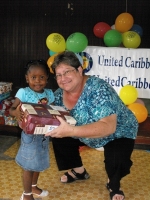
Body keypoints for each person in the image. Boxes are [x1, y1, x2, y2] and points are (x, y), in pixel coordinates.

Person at [45, 51, 138, 200]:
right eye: (58, 75)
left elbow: (108, 127)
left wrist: (71, 131)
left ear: (79, 70)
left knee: (116, 162)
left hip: (118, 132)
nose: (63, 79)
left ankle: (114, 184)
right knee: (59, 132)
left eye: (67, 72)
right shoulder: (57, 95)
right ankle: (79, 171)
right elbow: (46, 114)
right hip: (84, 130)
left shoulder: (99, 89)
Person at [9, 60, 55, 200]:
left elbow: (52, 112)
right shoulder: (23, 92)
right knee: (29, 165)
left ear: (47, 78)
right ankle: (27, 194)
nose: (37, 81)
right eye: (33, 77)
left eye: (41, 77)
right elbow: (11, 109)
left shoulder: (49, 93)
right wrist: (16, 113)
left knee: (38, 163)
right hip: (29, 136)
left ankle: (34, 187)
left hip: (44, 135)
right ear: (27, 78)